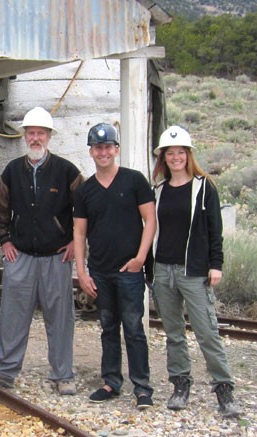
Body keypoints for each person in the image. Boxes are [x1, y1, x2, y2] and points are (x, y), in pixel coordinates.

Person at [0, 107, 83, 395]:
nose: (35, 138)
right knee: (12, 315)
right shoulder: (13, 170)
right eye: (31, 133)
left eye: (41, 133)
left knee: (61, 318)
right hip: (20, 255)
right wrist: (5, 240)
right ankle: (3, 370)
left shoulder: (67, 171)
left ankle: (63, 375)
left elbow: (84, 210)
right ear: (25, 136)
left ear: (49, 136)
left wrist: (76, 241)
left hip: (56, 258)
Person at [150, 125, 241, 417]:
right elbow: (151, 231)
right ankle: (180, 384)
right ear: (163, 159)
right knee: (173, 333)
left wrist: (216, 265)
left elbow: (216, 231)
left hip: (194, 272)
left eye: (180, 152)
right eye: (170, 153)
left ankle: (224, 389)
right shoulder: (159, 191)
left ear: (188, 155)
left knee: (207, 332)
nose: (175, 158)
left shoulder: (204, 187)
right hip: (164, 271)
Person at [73, 123, 156, 410]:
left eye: (108, 147)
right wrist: (81, 271)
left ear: (116, 150)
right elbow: (80, 233)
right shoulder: (85, 191)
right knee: (108, 327)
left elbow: (151, 221)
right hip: (100, 271)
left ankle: (142, 388)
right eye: (98, 147)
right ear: (91, 152)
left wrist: (141, 258)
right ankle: (111, 381)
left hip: (130, 271)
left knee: (134, 328)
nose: (103, 152)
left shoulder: (134, 181)